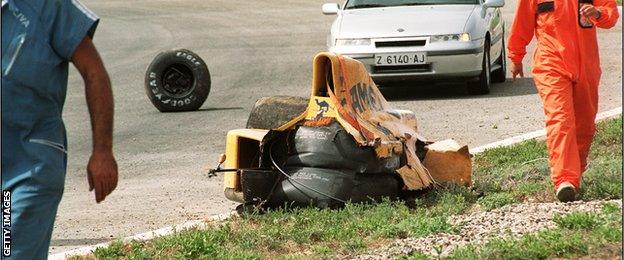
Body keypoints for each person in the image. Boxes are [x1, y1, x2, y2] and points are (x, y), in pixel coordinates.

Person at [1, 0, 119, 258]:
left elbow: (94, 72)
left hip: (26, 170)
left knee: (10, 251)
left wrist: (102, 150)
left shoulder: (47, 5)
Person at [507, 0, 619, 202]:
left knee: (584, 125)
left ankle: (575, 173)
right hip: (551, 64)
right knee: (560, 119)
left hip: (587, 66)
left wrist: (598, 12)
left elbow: (610, 16)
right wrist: (516, 56)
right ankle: (565, 179)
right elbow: (521, 22)